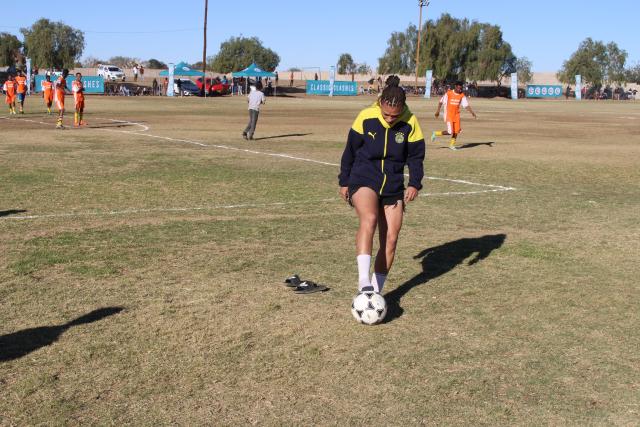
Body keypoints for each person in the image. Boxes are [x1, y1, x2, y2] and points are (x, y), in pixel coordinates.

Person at [338, 76, 425, 294]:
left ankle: (375, 293)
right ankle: (363, 282)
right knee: (370, 218)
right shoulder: (366, 117)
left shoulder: (410, 122)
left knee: (391, 239)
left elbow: (415, 157)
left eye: (394, 116)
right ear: (379, 104)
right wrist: (344, 181)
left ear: (403, 107)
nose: (389, 119)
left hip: (393, 184)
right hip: (364, 177)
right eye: (385, 114)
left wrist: (414, 183)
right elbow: (350, 150)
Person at [431, 81, 477, 150]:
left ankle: (451, 145)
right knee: (450, 132)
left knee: (456, 131)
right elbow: (440, 102)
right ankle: (435, 133)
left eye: (461, 89)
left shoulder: (462, 95)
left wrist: (472, 112)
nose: (460, 90)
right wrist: (437, 111)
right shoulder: (449, 93)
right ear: (455, 86)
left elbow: (466, 105)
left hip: (456, 115)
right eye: (458, 88)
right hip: (449, 115)